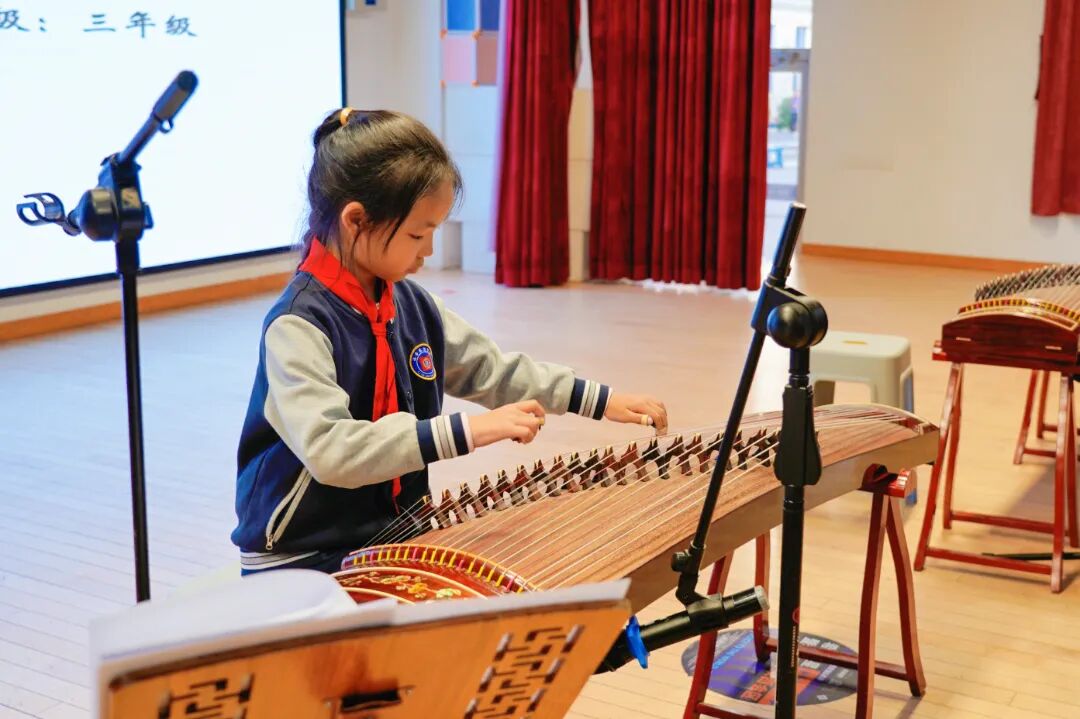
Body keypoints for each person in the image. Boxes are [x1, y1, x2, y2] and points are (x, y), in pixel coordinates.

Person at [231, 108, 668, 575]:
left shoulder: (411, 305)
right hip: (303, 552)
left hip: (390, 529)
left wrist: (601, 400)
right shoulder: (299, 325)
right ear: (356, 220)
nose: (429, 250)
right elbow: (332, 450)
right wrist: (468, 432)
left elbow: (490, 370)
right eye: (418, 233)